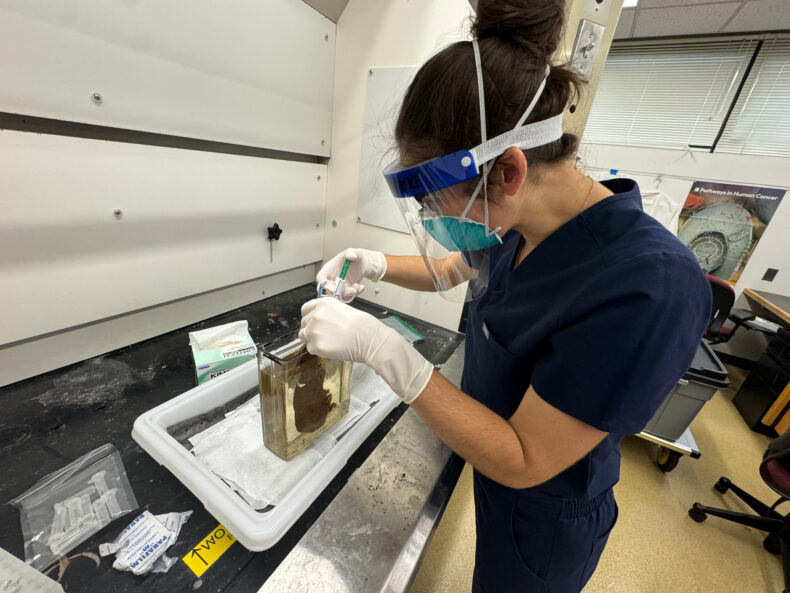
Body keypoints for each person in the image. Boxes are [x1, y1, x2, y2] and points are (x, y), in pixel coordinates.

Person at [299, 1, 712, 591]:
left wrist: (381, 348)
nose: (435, 217)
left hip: (545, 508)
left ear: (510, 171)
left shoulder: (647, 287)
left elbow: (525, 458)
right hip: (491, 463)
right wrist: (375, 263)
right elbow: (452, 268)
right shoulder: (513, 221)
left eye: (439, 202)